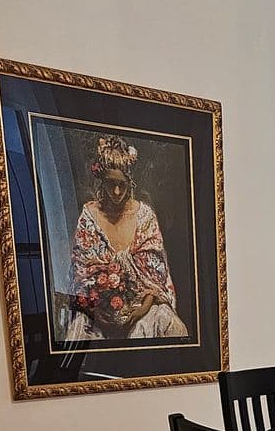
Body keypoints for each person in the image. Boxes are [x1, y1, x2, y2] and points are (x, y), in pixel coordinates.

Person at [66, 134, 188, 341]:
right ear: (101, 181)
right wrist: (97, 313)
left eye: (121, 184)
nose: (116, 191)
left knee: (171, 326)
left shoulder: (145, 216)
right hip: (99, 313)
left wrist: (141, 310)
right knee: (78, 335)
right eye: (110, 183)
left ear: (130, 182)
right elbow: (81, 276)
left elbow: (155, 279)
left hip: (142, 308)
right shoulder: (90, 216)